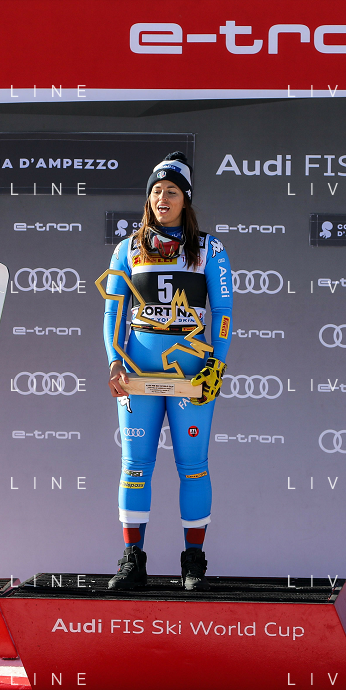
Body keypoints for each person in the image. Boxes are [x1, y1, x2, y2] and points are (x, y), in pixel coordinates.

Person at [103, 152, 233, 592]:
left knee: (193, 467)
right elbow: (113, 313)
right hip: (137, 375)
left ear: (186, 199)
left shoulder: (210, 249)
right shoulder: (127, 249)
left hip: (191, 375)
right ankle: (132, 560)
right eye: (156, 191)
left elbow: (224, 313)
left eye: (171, 191)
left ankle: (193, 563)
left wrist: (215, 365)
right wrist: (115, 360)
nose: (162, 198)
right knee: (135, 466)